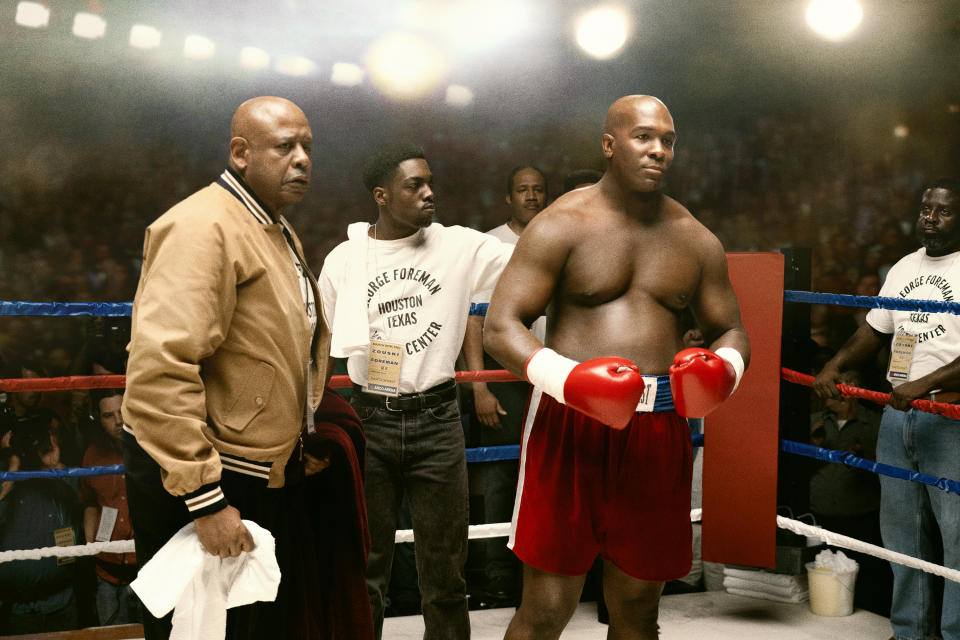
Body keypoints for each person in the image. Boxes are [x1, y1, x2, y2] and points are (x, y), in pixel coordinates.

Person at [483, 95, 749, 639]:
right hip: (569, 425)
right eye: (643, 137)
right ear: (609, 145)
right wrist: (569, 380)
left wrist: (726, 367)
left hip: (657, 427)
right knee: (546, 609)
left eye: (668, 140)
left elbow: (732, 328)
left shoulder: (694, 237)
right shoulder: (562, 223)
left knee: (638, 609)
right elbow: (500, 327)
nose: (659, 151)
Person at [121, 96, 330, 640]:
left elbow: (276, 348)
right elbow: (159, 371)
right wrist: (205, 499)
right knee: (202, 630)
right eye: (285, 146)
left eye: (307, 146)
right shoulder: (201, 227)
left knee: (250, 627)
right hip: (211, 473)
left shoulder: (271, 225)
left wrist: (297, 440)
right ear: (240, 153)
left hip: (255, 466)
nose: (303, 159)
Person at [318, 141, 512, 639]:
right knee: (368, 564)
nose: (430, 193)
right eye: (415, 185)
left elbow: (535, 256)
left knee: (446, 569)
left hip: (438, 417)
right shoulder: (344, 259)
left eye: (430, 183)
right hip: (371, 416)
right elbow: (317, 345)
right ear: (382, 195)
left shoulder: (460, 245)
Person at [813, 179, 960, 640]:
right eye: (925, 209)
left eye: (944, 211)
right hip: (898, 413)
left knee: (957, 537)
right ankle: (911, 631)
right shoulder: (902, 268)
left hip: (950, 415)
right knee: (900, 532)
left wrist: (925, 384)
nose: (930, 219)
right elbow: (875, 330)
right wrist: (834, 364)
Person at [462, 165, 547, 606]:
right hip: (506, 373)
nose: (531, 197)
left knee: (553, 472)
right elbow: (474, 316)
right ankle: (496, 575)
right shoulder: (490, 243)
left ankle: (548, 569)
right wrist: (480, 386)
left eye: (537, 190)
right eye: (522, 190)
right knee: (499, 473)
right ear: (508, 197)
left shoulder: (557, 233)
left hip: (553, 373)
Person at [807, 370, 891, 616]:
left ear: (851, 388)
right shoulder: (814, 421)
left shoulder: (876, 423)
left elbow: (892, 471)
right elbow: (791, 470)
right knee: (824, 581)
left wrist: (864, 459)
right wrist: (815, 446)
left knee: (866, 586)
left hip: (861, 517)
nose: (826, 392)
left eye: (833, 387)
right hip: (820, 517)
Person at [0, 413, 83, 634]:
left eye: (52, 436)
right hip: (17, 609)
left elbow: (82, 501)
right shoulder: (6, 477)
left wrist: (52, 463)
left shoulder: (59, 476)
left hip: (62, 602)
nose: (48, 442)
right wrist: (14, 465)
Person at [78, 390, 140, 626]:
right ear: (97, 418)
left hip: (146, 572)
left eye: (122, 411)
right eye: (108, 415)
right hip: (105, 571)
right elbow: (89, 501)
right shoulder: (93, 454)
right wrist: (91, 543)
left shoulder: (149, 449)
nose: (118, 421)